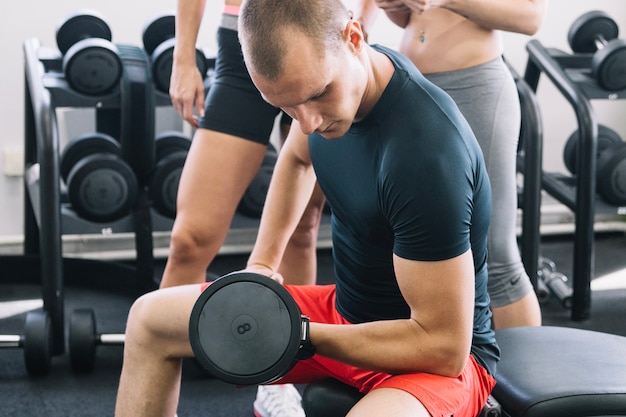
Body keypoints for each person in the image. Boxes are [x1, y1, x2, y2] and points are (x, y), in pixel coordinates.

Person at [115, 0, 499, 415]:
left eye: (318, 95)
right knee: (149, 320)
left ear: (354, 38)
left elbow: (444, 347)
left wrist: (301, 335)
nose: (308, 123)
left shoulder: (425, 154)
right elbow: (298, 162)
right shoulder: (333, 89)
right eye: (286, 107)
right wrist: (262, 266)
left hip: (429, 355)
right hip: (343, 315)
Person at [166, 0, 326, 415]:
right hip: (244, 38)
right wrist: (184, 56)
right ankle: (156, 374)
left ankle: (280, 380)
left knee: (303, 229)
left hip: (319, 31)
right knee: (190, 239)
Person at [353, 0, 546, 329]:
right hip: (416, 89)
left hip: (475, 87)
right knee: (413, 241)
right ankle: (448, 361)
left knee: (496, 257)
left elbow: (531, 18)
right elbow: (415, 18)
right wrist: (395, 6)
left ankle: (528, 376)